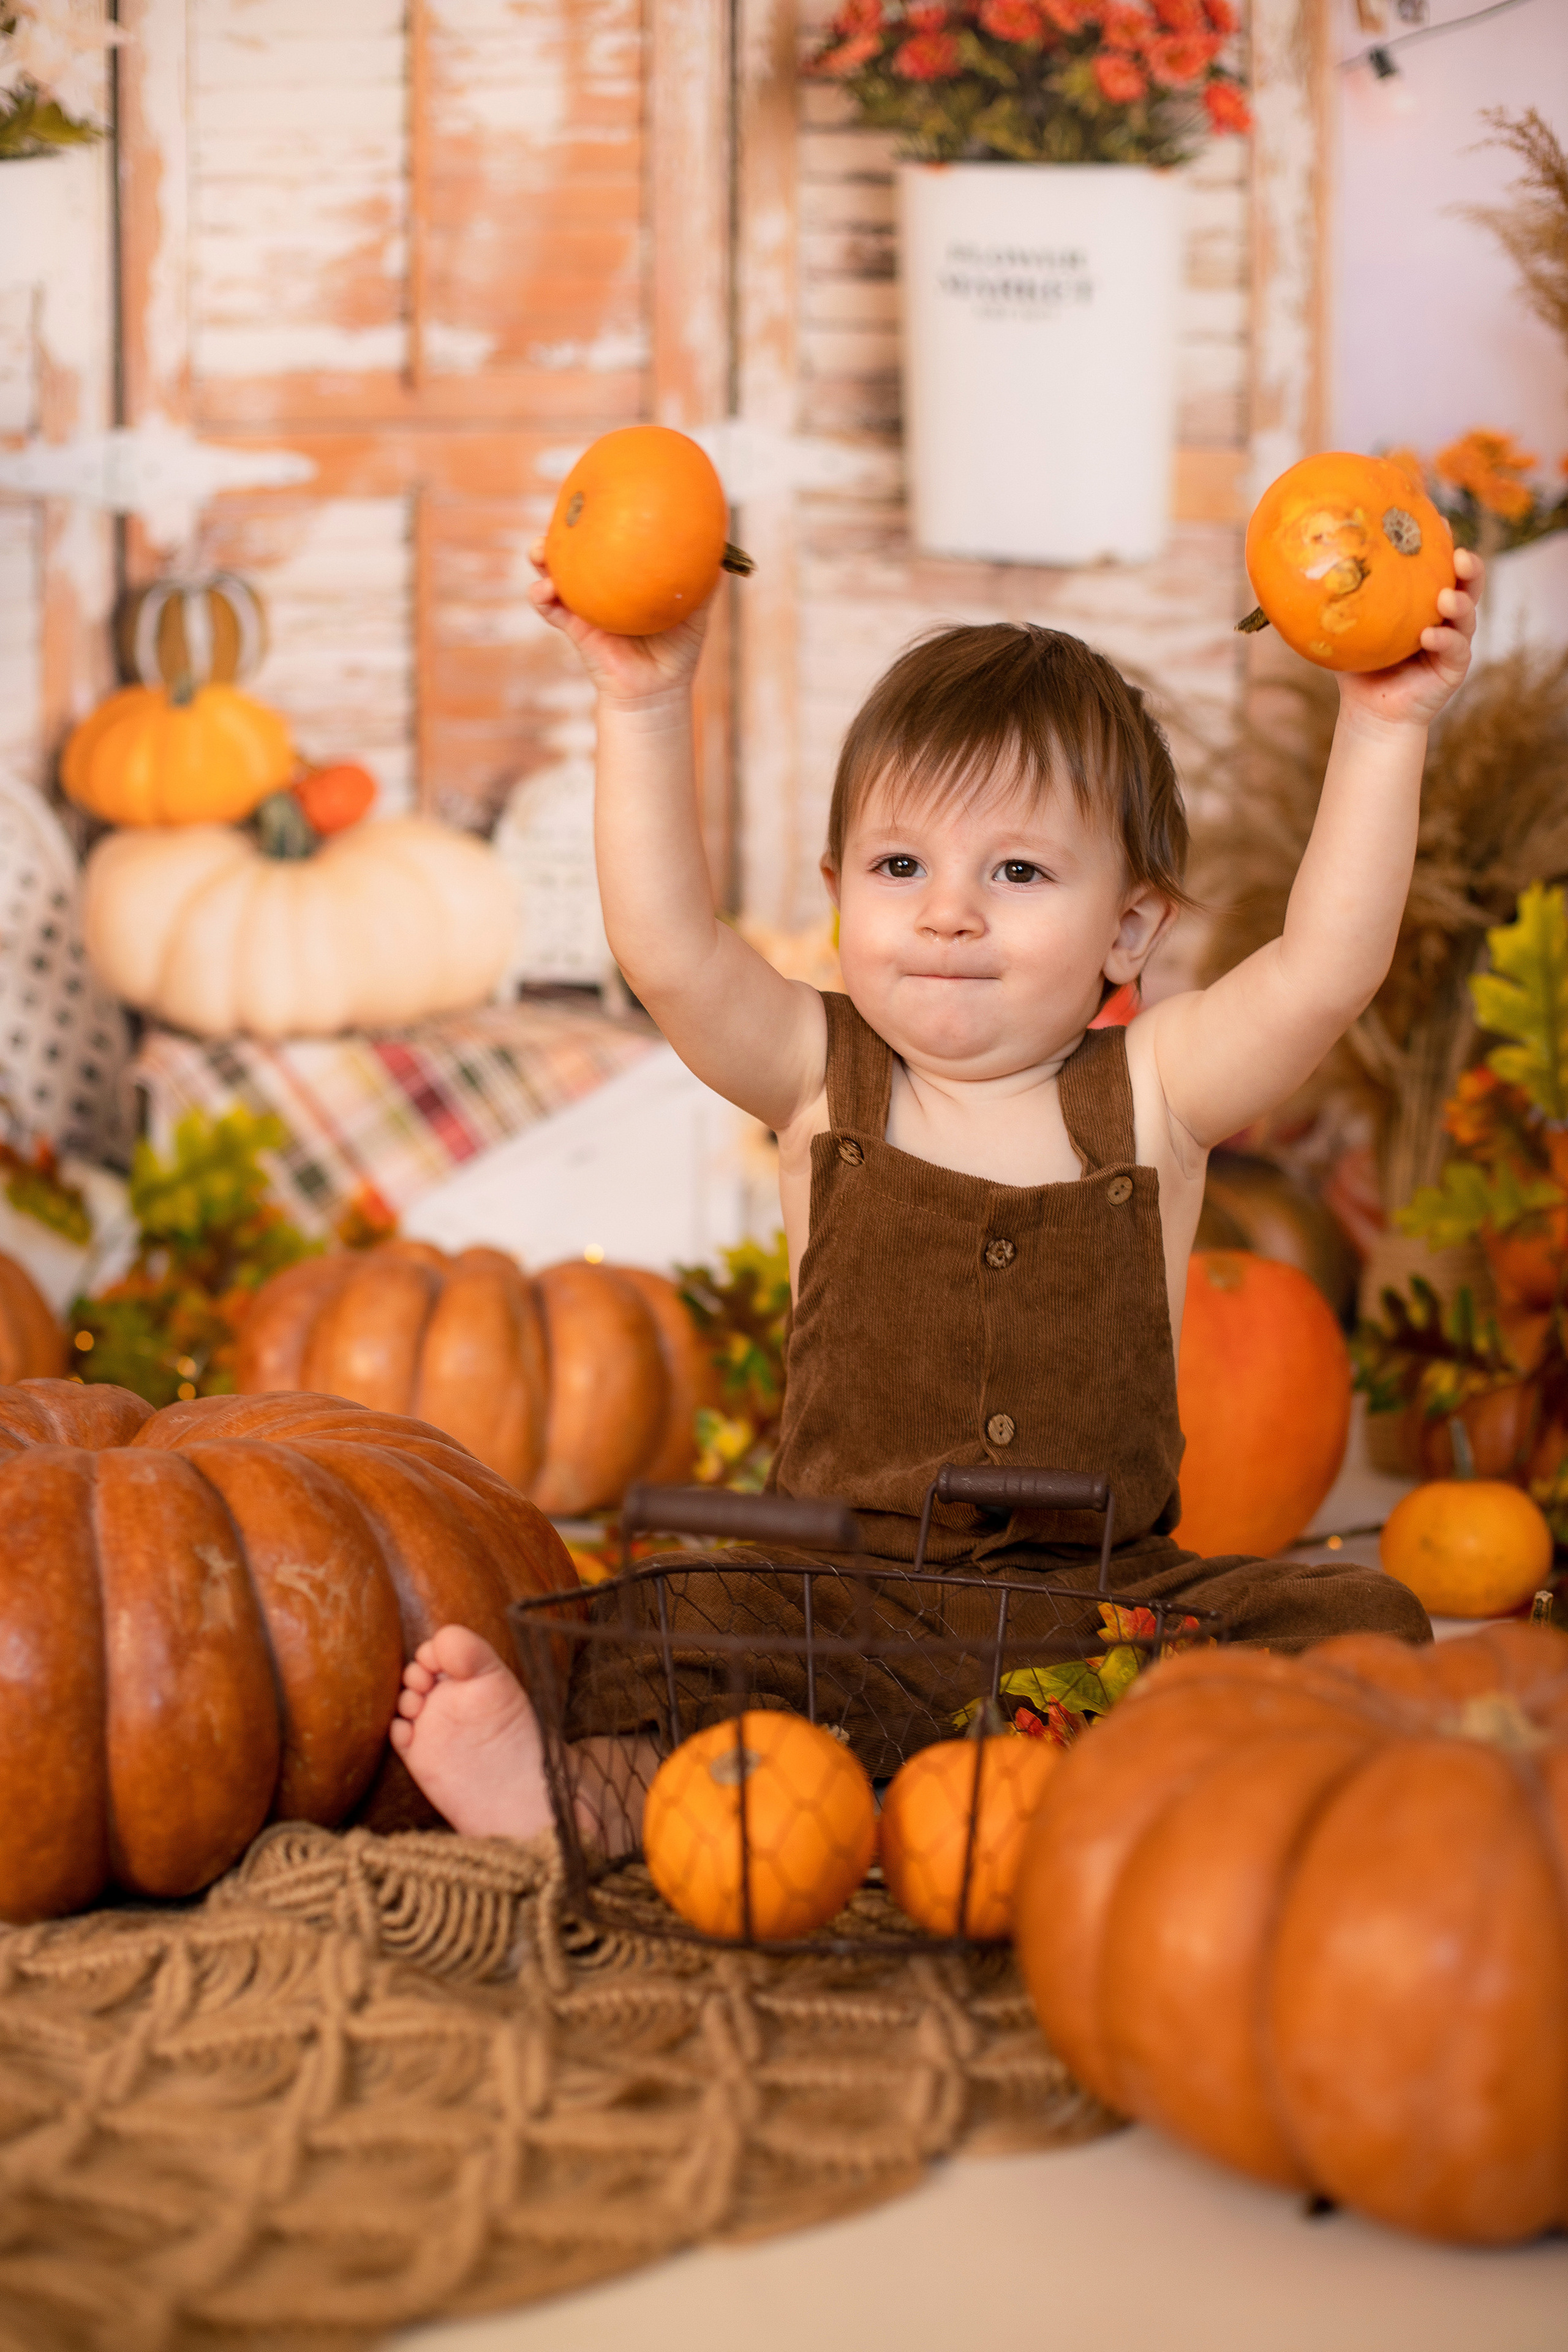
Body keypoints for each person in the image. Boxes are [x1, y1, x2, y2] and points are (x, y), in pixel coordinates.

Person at [390, 535, 1484, 1847]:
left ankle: (1077, 1805)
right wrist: (640, 701)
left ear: (1129, 930)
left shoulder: (1156, 1093)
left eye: (1016, 873)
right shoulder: (815, 1075)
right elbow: (669, 950)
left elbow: (1320, 969)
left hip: (1097, 1611)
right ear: (838, 895)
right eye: (900, 868)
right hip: (841, 1599)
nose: (948, 914)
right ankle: (594, 1801)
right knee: (677, 1613)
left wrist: (1382, 727)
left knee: (1352, 1620)